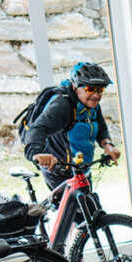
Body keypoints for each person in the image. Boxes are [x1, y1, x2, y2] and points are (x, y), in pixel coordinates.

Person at [23, 61, 122, 190]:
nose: (96, 95)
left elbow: (101, 129)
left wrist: (108, 145)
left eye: (100, 89)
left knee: (90, 206)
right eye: (90, 89)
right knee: (71, 209)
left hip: (81, 168)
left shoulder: (92, 105)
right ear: (75, 87)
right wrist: (36, 153)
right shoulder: (62, 106)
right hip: (59, 170)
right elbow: (37, 128)